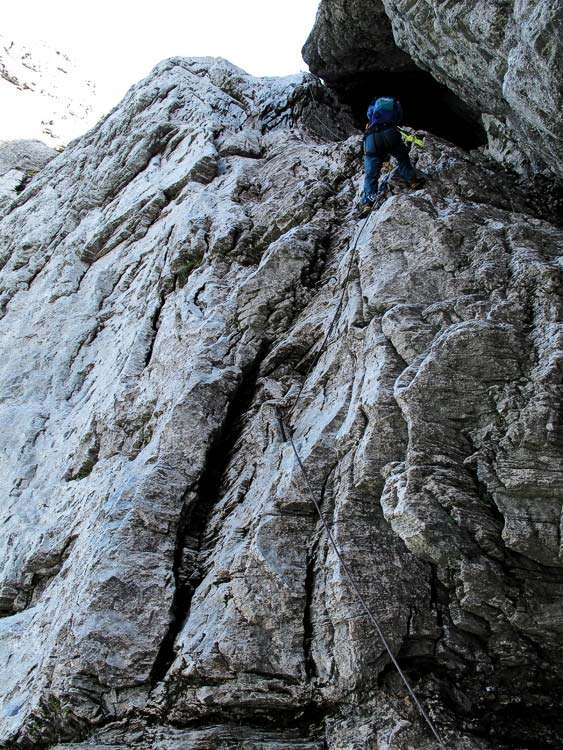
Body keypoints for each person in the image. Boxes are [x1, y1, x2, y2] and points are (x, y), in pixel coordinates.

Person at [358, 96, 423, 216]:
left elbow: (369, 115)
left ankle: (368, 203)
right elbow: (398, 117)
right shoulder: (395, 104)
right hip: (389, 133)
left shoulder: (373, 106)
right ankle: (412, 181)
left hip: (372, 137)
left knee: (371, 173)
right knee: (402, 156)